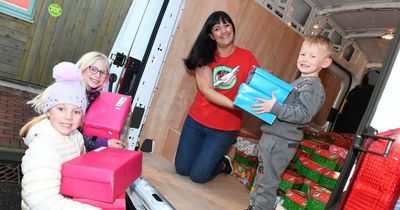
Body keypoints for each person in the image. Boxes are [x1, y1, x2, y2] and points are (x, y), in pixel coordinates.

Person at [248, 35, 333, 210]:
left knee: (268, 184)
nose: (305, 59)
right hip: (273, 137)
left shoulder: (313, 87)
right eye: (303, 54)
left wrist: (275, 108)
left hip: (281, 141)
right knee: (262, 179)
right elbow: (286, 103)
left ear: (325, 63)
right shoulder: (300, 82)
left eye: (312, 56)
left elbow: (303, 114)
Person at [174, 11, 259, 183]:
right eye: (217, 28)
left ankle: (222, 164)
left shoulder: (247, 57)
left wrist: (263, 79)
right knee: (182, 169)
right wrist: (234, 104)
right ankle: (206, 159)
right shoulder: (205, 56)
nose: (224, 31)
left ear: (232, 28)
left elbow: (254, 87)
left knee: (198, 176)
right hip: (197, 121)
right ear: (211, 35)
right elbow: (207, 90)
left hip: (224, 129)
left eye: (227, 25)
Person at [20, 62, 99, 210]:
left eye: (76, 111)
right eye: (61, 108)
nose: (68, 117)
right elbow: (40, 201)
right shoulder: (44, 148)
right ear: (49, 111)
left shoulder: (76, 137)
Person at [76, 51, 126, 151]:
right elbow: (70, 135)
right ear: (82, 68)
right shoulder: (72, 95)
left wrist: (118, 138)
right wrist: (105, 143)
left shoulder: (94, 95)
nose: (97, 75)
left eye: (102, 72)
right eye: (93, 69)